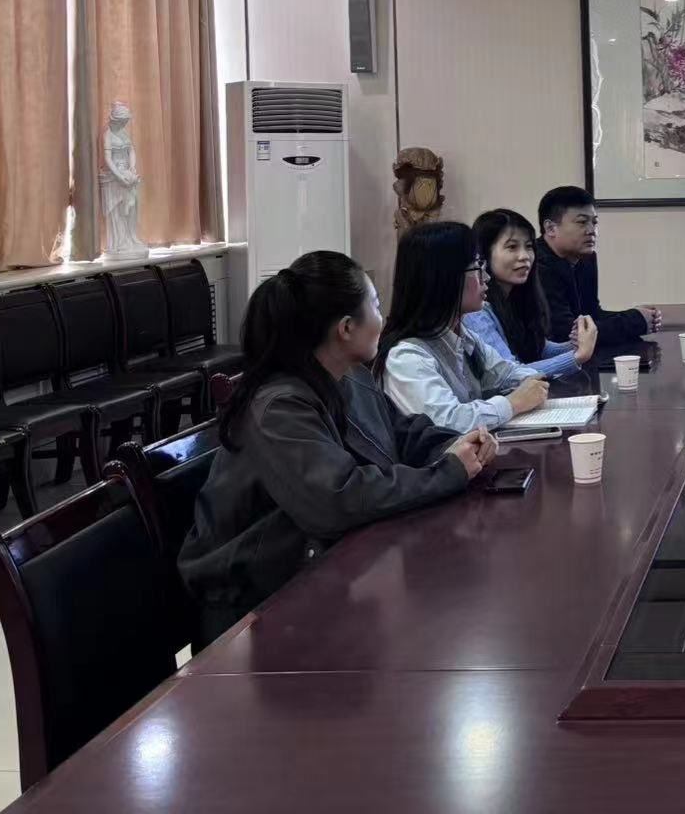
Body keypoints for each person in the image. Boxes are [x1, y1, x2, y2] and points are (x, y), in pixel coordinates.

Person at [179, 251, 495, 643]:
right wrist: (447, 472)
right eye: (375, 305)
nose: (383, 317)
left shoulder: (350, 376)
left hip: (325, 570)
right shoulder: (278, 407)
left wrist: (456, 444)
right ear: (346, 328)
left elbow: (403, 434)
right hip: (257, 609)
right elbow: (337, 498)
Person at [377, 220, 549, 430]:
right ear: (445, 278)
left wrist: (530, 384)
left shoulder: (463, 335)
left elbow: (507, 373)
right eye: (477, 268)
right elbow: (449, 422)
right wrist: (513, 403)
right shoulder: (406, 357)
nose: (486, 277)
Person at [465, 208, 598, 378]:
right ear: (483, 255)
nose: (524, 256)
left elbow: (539, 348)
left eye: (528, 246)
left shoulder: (516, 297)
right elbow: (509, 375)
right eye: (512, 247)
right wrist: (577, 356)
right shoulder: (476, 310)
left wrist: (577, 343)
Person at [533, 186, 661, 346]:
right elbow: (566, 334)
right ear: (551, 228)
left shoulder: (586, 258)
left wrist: (638, 315)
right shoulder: (536, 264)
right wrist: (633, 321)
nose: (592, 230)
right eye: (582, 222)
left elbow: (591, 315)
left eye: (594, 222)